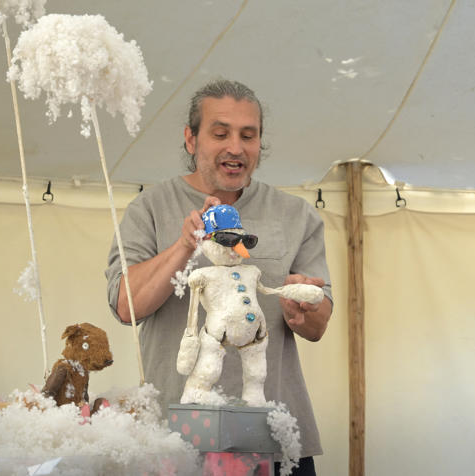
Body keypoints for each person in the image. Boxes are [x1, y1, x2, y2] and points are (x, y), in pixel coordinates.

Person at [106, 79, 332, 476]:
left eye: (248, 135)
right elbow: (127, 307)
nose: (236, 147)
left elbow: (319, 323)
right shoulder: (149, 208)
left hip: (275, 439)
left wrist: (304, 311)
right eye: (220, 133)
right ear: (191, 139)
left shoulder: (296, 215)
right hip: (175, 441)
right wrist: (184, 245)